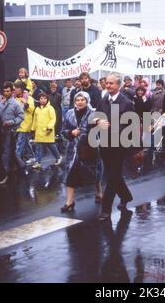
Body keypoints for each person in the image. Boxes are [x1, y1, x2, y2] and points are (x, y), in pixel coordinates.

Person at [94, 73, 135, 221]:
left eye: (111, 83)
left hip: (120, 145)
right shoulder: (104, 100)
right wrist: (98, 121)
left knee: (111, 177)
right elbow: (96, 117)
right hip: (105, 144)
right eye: (107, 83)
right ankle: (126, 196)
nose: (108, 85)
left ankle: (106, 210)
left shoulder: (126, 103)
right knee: (114, 174)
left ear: (118, 85)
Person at [61, 92, 99, 212]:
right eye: (78, 100)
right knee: (70, 174)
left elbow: (99, 130)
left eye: (83, 99)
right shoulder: (69, 113)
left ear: (87, 101)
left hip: (89, 148)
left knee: (94, 173)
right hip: (73, 149)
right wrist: (70, 133)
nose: (80, 102)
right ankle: (69, 202)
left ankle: (99, 191)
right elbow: (63, 130)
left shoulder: (94, 113)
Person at [0, 82, 25, 176]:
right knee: (9, 151)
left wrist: (11, 122)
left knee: (6, 151)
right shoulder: (1, 102)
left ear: (12, 91)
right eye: (4, 91)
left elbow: (21, 117)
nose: (6, 93)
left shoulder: (15, 104)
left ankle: (4, 172)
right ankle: (21, 165)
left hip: (11, 131)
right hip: (1, 130)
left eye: (8, 91)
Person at [31, 93, 63, 169]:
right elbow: (35, 120)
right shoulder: (37, 109)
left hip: (47, 131)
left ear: (47, 99)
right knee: (38, 147)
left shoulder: (50, 108)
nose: (43, 100)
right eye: (41, 98)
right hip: (39, 131)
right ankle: (38, 162)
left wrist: (49, 128)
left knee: (51, 145)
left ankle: (58, 157)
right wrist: (33, 129)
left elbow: (53, 119)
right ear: (39, 100)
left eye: (44, 98)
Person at [14, 82, 37, 167]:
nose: (15, 90)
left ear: (22, 89)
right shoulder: (15, 98)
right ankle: (32, 157)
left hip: (25, 124)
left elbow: (31, 109)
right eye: (15, 88)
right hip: (16, 124)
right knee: (25, 142)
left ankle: (17, 161)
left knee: (19, 144)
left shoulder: (29, 98)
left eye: (17, 88)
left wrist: (25, 103)